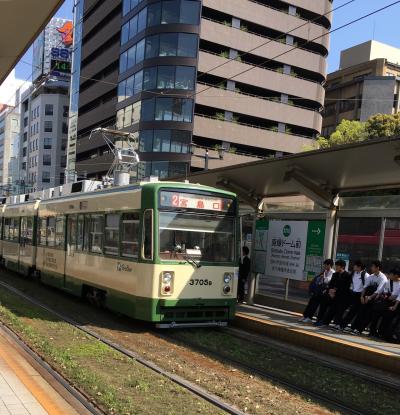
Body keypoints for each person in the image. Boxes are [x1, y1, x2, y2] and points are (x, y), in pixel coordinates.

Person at [350, 260, 388, 335]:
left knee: (368, 315)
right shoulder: (371, 276)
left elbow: (378, 291)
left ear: (377, 268)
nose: (371, 268)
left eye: (373, 266)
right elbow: (365, 287)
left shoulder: (383, 278)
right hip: (367, 297)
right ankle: (354, 327)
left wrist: (369, 298)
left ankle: (359, 330)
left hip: (376, 299)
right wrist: (362, 297)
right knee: (361, 312)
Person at [315, 259, 352, 328]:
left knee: (339, 310)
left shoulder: (347, 275)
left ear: (342, 267)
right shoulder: (335, 274)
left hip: (343, 296)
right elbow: (331, 284)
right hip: (334, 295)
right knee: (331, 309)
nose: (336, 267)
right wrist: (330, 292)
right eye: (336, 265)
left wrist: (335, 290)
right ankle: (325, 322)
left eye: (337, 266)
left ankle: (338, 324)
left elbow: (346, 287)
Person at [299, 259, 334, 323]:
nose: (324, 266)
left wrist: (323, 276)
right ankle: (305, 315)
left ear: (329, 265)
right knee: (311, 302)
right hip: (318, 290)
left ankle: (310, 317)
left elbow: (327, 280)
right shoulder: (325, 271)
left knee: (315, 304)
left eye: (325, 265)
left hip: (324, 292)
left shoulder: (332, 272)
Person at [369, 268, 400, 340]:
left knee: (387, 319)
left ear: (396, 275)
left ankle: (382, 333)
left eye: (391, 274)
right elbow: (384, 290)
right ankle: (372, 332)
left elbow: (399, 297)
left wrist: (395, 306)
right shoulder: (389, 281)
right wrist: (386, 295)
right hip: (386, 302)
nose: (389, 275)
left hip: (394, 304)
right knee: (376, 315)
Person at [340, 260, 369, 330]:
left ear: (359, 267)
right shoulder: (354, 273)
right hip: (353, 294)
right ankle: (343, 325)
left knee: (358, 312)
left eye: (355, 265)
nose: (353, 266)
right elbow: (352, 283)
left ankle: (353, 327)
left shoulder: (365, 275)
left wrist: (363, 296)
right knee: (351, 311)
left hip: (361, 295)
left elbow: (366, 287)